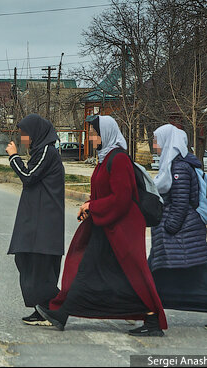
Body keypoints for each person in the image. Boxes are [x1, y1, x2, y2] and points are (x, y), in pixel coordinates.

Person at [36, 115, 167, 336]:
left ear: (105, 134)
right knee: (89, 270)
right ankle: (63, 312)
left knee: (131, 273)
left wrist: (92, 206)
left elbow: (122, 198)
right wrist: (91, 206)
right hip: (106, 225)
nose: (91, 136)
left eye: (95, 133)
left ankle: (153, 321)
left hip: (122, 228)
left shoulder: (119, 159)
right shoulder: (105, 159)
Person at [141, 123, 207, 331]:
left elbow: (180, 203)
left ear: (168, 141)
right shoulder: (172, 165)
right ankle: (149, 312)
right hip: (177, 232)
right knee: (157, 271)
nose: (154, 144)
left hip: (182, 232)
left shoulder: (179, 168)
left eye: (157, 140)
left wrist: (169, 227)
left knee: (200, 271)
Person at [5, 114, 65, 326]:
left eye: (25, 135)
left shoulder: (48, 151)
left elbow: (28, 176)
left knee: (40, 265)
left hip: (44, 221)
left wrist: (13, 157)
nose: (23, 140)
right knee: (26, 260)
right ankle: (42, 309)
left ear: (36, 134)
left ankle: (55, 309)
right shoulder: (42, 151)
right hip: (36, 219)